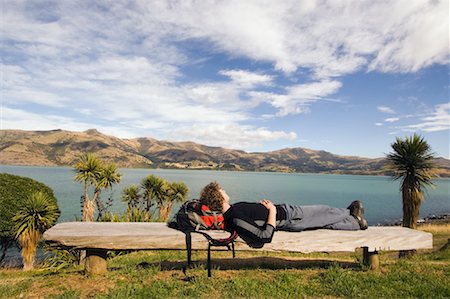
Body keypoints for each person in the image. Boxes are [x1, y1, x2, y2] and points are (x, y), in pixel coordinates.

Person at [199, 182, 368, 248]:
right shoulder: (234, 217)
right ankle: (351, 213)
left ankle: (355, 222)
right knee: (324, 211)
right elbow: (264, 236)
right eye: (222, 190)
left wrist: (262, 207)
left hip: (288, 215)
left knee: (324, 221)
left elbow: (253, 220)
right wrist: (271, 210)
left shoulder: (232, 212)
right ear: (219, 197)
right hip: (288, 216)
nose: (225, 190)